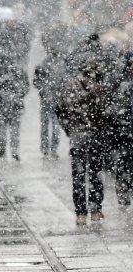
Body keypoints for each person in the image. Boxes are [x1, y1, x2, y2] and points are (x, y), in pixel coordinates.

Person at [56, 60, 109, 225]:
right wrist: (99, 128)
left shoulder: (69, 87)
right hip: (94, 136)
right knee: (95, 173)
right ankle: (95, 209)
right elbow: (105, 113)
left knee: (78, 175)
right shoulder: (99, 89)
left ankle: (80, 213)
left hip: (77, 137)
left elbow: (60, 109)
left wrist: (69, 129)